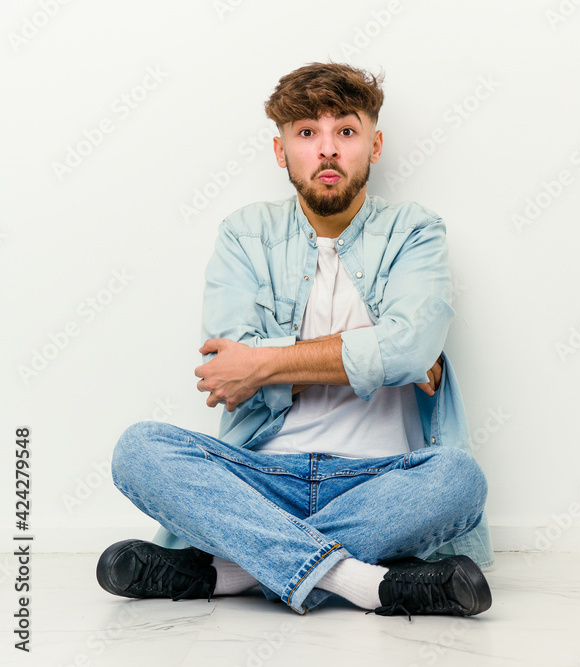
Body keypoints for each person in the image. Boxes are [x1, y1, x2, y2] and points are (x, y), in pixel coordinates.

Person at [96, 62, 494, 619]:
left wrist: (264, 362)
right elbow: (228, 373)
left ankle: (231, 572)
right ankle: (368, 584)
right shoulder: (244, 234)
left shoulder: (414, 230)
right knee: (139, 449)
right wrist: (376, 354)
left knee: (458, 479)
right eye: (307, 132)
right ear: (281, 151)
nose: (327, 149)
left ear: (375, 145)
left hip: (380, 484)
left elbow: (408, 349)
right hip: (260, 482)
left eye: (346, 131)